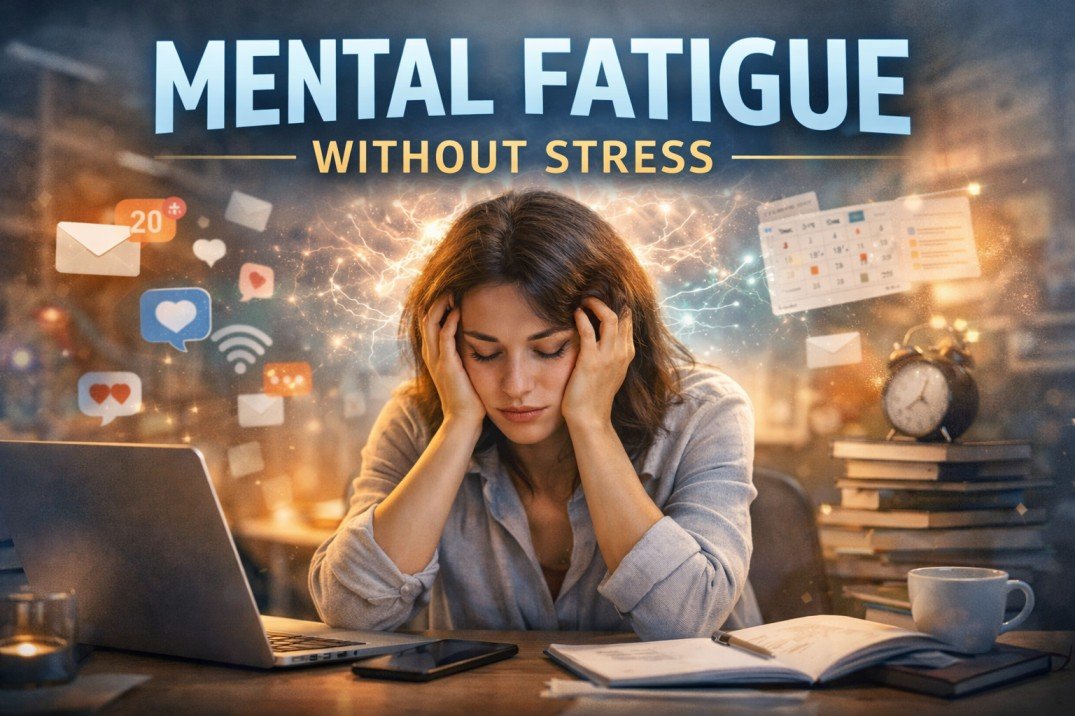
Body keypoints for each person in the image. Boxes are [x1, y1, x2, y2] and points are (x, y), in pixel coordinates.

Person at [309, 190, 762, 640]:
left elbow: (686, 619)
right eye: (484, 354)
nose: (516, 385)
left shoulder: (705, 412)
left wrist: (591, 423)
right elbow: (349, 611)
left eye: (550, 350)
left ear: (616, 335)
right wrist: (458, 425)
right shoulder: (417, 421)